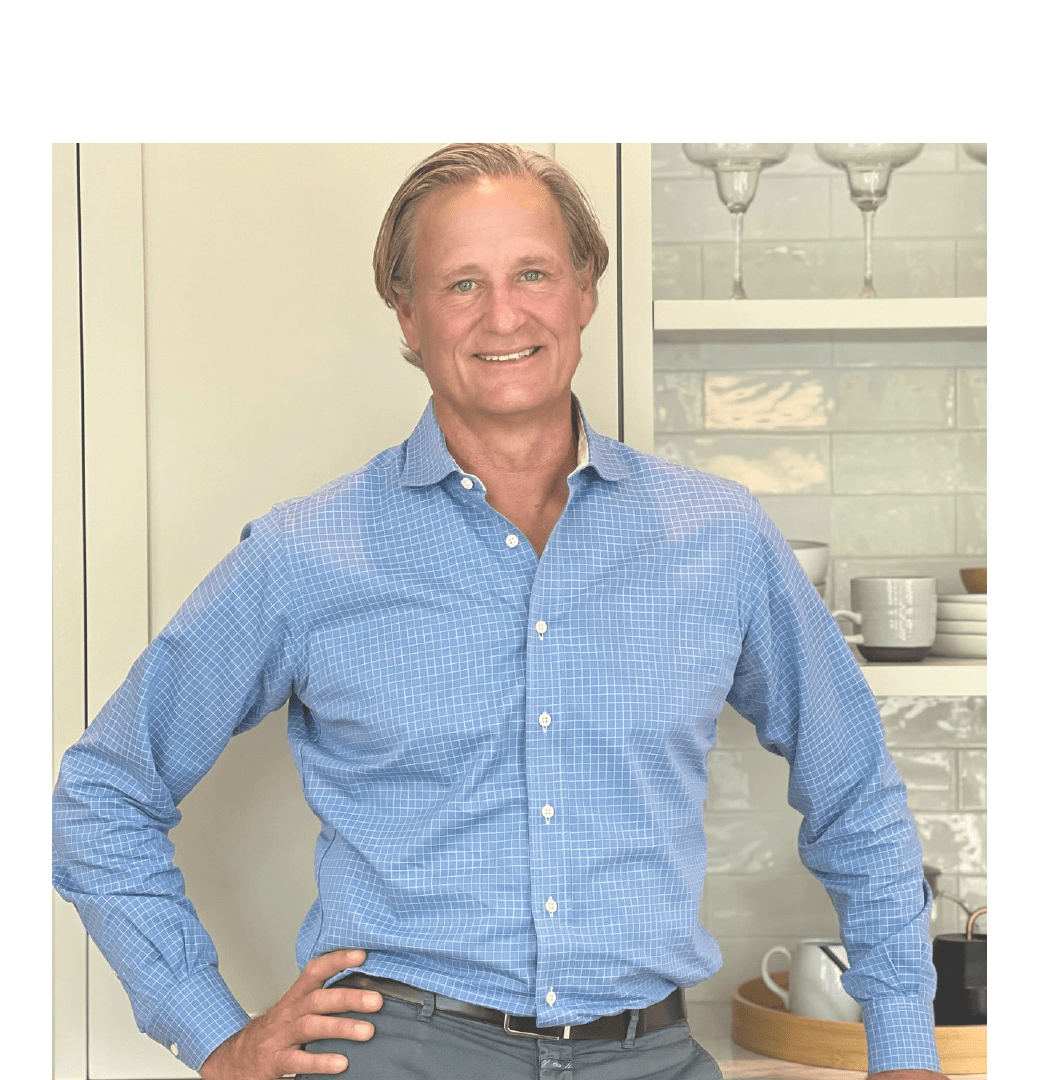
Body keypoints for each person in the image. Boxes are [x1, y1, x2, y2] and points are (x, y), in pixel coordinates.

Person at [53, 144, 950, 1080]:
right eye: (461, 284)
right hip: (398, 1053)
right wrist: (214, 1033)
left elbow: (858, 791)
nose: (504, 313)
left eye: (532, 273)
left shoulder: (718, 537)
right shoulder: (305, 555)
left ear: (584, 291)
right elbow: (101, 795)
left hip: (650, 1053)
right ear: (407, 313)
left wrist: (902, 1045)